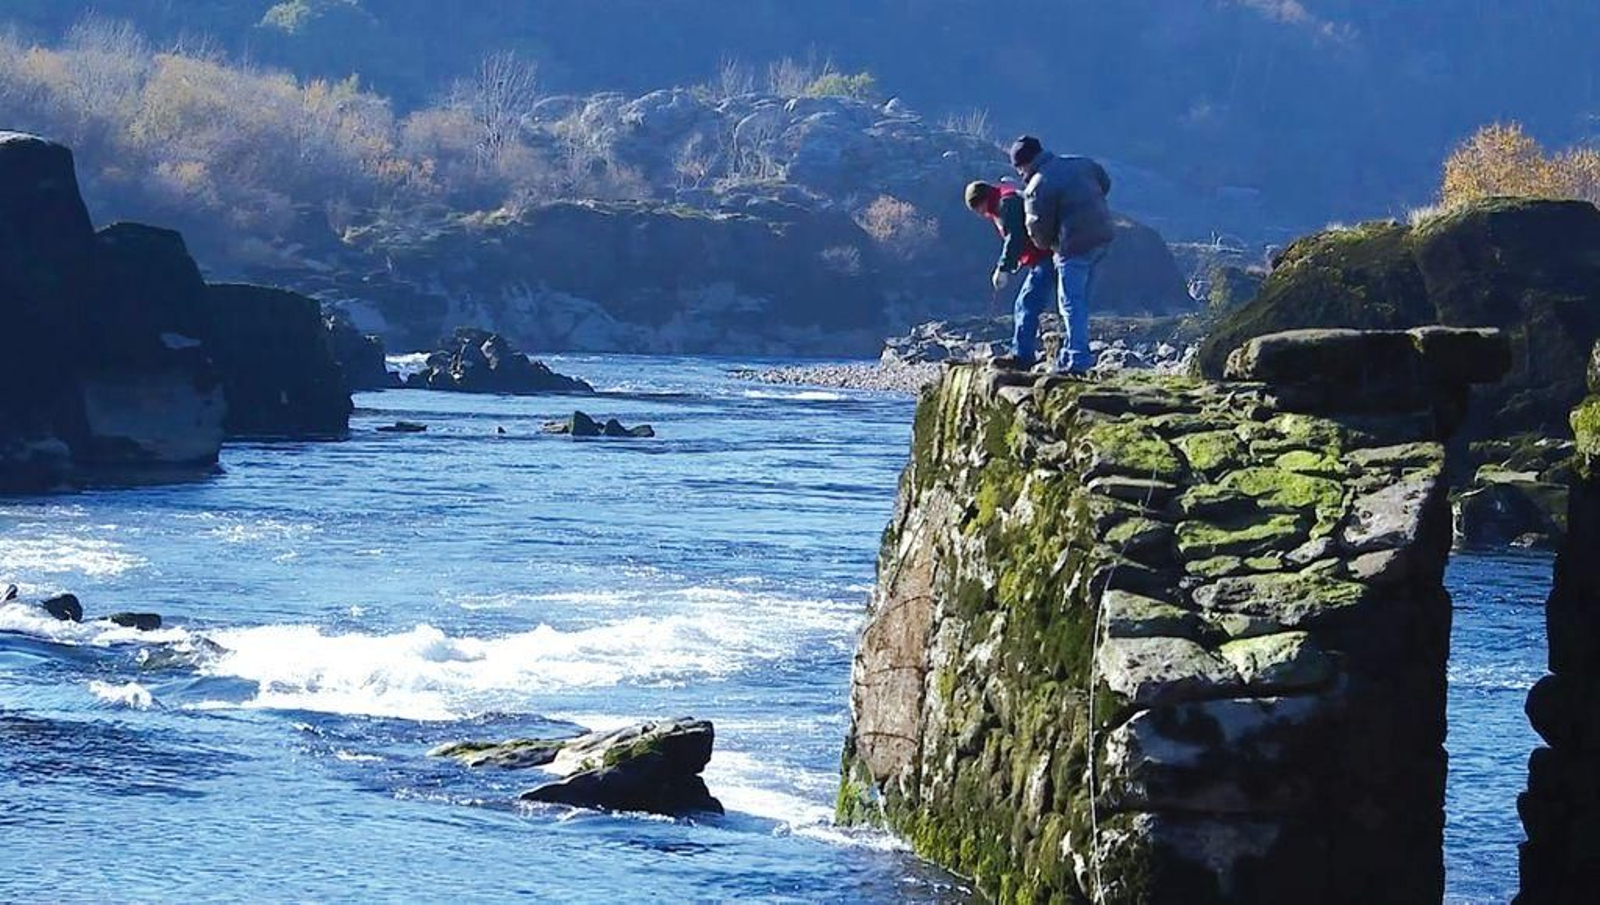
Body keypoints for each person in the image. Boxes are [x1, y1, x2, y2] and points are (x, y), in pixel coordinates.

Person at [1011, 135, 1114, 376]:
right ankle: (1069, 353)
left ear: (1024, 164)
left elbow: (1037, 229)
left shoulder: (1037, 185)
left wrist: (1050, 247)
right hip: (1103, 236)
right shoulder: (1082, 163)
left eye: (1018, 168)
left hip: (1073, 245)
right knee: (1081, 301)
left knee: (1070, 303)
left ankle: (1077, 359)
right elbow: (1105, 184)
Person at [964, 180, 1056, 370]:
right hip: (1044, 256)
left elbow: (1015, 237)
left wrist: (1003, 267)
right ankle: (1024, 353)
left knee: (1026, 304)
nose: (980, 214)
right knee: (1026, 304)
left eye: (977, 209)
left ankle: (1022, 357)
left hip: (1047, 257)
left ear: (981, 201)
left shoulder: (1006, 203)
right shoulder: (1001, 202)